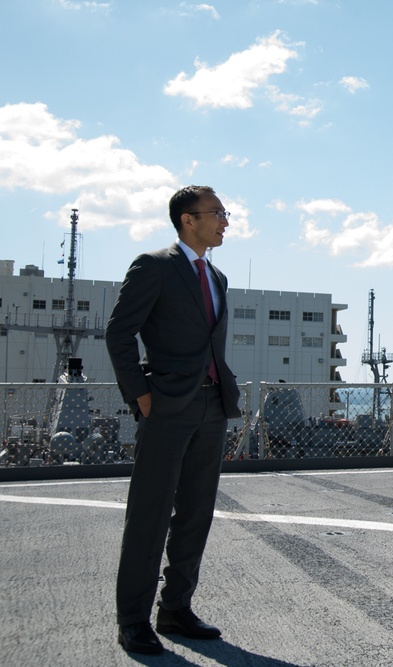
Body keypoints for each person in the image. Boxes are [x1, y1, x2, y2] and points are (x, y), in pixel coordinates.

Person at [106, 185, 241, 654]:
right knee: (150, 514)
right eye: (218, 213)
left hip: (211, 407)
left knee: (196, 515)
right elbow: (119, 334)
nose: (225, 221)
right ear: (188, 219)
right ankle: (132, 620)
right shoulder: (153, 267)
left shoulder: (218, 277)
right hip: (165, 407)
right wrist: (142, 397)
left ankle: (176, 609)